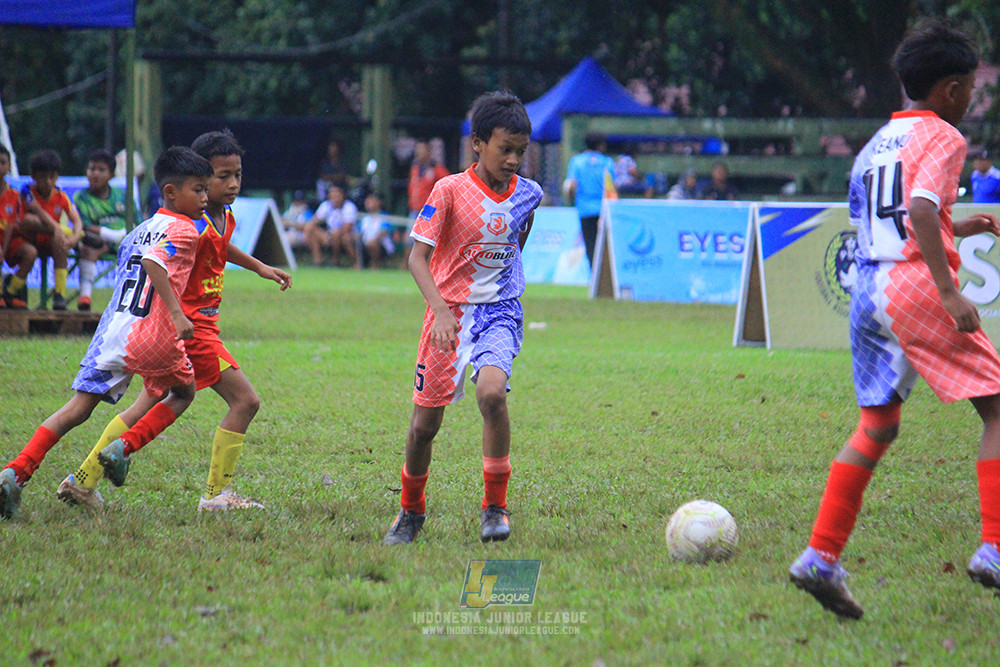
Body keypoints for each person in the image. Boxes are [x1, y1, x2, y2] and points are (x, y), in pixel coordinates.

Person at [788, 19, 1000, 620]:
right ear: (952, 89)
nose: (971, 99)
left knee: (877, 427)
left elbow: (885, 218)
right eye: (970, 89)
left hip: (868, 289)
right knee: (998, 409)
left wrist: (960, 225)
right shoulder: (945, 137)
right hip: (916, 287)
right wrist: (948, 290)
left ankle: (820, 557)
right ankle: (994, 547)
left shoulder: (878, 141)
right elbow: (921, 209)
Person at [59, 130, 293, 512]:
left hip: (190, 329)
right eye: (222, 176)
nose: (232, 184)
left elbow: (220, 245)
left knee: (145, 405)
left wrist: (259, 267)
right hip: (192, 329)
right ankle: (214, 496)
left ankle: (82, 480)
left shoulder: (222, 216)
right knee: (245, 401)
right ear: (200, 177)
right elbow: (162, 260)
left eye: (237, 174)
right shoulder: (189, 225)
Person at [0, 146, 213, 518]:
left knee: (76, 410)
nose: (205, 198)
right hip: (155, 335)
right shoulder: (184, 230)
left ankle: (14, 474)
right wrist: (178, 315)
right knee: (183, 393)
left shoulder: (137, 232)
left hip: (112, 334)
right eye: (198, 190)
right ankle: (122, 447)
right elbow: (154, 263)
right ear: (170, 192)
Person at [383, 90, 543, 545]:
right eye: (505, 149)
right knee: (424, 427)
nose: (513, 160)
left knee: (492, 394)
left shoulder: (529, 194)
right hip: (448, 315)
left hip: (500, 311)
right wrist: (439, 310)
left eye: (520, 151)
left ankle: (495, 508)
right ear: (478, 143)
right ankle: (411, 511)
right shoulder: (449, 190)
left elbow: (517, 241)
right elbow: (417, 258)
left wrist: (502, 283)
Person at [18, 149, 83, 310]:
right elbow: (37, 212)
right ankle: (11, 289)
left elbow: (76, 220)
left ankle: (59, 294)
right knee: (30, 220)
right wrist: (57, 228)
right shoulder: (27, 191)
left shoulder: (61, 196)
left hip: (51, 241)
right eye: (43, 177)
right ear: (33, 176)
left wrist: (75, 237)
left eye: (52, 177)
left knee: (59, 240)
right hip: (28, 239)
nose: (48, 182)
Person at [72, 149, 128, 311]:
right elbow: (84, 225)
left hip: (126, 242)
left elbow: (136, 221)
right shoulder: (81, 197)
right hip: (98, 243)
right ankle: (85, 297)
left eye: (101, 170)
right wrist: (112, 235)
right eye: (92, 169)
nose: (95, 174)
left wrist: (123, 235)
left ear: (111, 175)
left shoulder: (122, 195)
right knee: (88, 246)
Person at [564, 133, 615, 269]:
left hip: (585, 209)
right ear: (601, 145)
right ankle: (606, 274)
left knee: (590, 244)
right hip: (604, 209)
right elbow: (611, 187)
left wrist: (571, 199)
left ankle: (594, 274)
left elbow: (571, 185)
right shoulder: (607, 162)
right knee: (605, 245)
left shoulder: (577, 161)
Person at [402, 140, 450, 268]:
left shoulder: (436, 169)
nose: (419, 153)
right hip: (414, 209)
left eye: (422, 150)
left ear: (428, 152)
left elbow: (447, 185)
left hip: (429, 210)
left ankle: (428, 266)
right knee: (409, 238)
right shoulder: (415, 168)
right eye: (417, 150)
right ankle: (406, 266)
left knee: (427, 239)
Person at [0, 144, 34, 309]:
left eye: (2, 163)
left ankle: (10, 291)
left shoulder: (15, 195)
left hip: (9, 241)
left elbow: (12, 225)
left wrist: (4, 249)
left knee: (30, 252)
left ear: (9, 166)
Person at [304, 184, 358, 267]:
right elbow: (315, 220)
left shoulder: (349, 206)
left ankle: (335, 261)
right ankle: (318, 261)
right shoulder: (326, 205)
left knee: (339, 235)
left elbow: (347, 227)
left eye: (336, 194)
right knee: (310, 229)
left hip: (347, 233)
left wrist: (332, 235)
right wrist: (324, 235)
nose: (334, 196)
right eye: (332, 193)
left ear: (342, 195)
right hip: (329, 233)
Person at [358, 191, 395, 270]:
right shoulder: (364, 218)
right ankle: (357, 264)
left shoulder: (384, 216)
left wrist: (372, 241)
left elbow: (383, 232)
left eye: (373, 200)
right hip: (365, 244)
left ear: (379, 202)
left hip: (381, 245)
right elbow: (359, 232)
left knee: (373, 244)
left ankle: (375, 265)